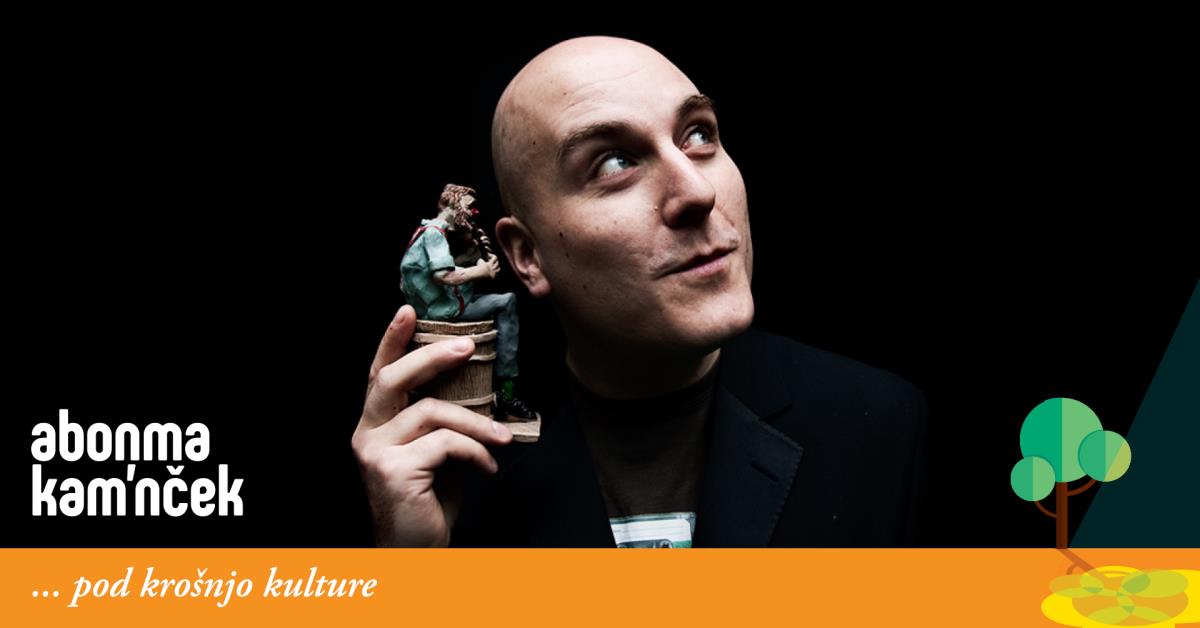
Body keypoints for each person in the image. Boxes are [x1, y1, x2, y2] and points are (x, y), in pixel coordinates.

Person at [352, 36, 928, 548]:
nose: (697, 192)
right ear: (527, 256)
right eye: (614, 163)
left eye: (698, 134)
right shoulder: (456, 475)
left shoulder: (880, 429)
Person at [400, 183, 539, 422]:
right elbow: (442, 276)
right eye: (470, 206)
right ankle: (507, 394)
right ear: (453, 203)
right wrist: (481, 271)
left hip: (441, 302)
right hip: (443, 310)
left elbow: (436, 271)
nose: (474, 212)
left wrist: (471, 258)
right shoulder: (435, 233)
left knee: (497, 299)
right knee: (507, 301)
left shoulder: (426, 229)